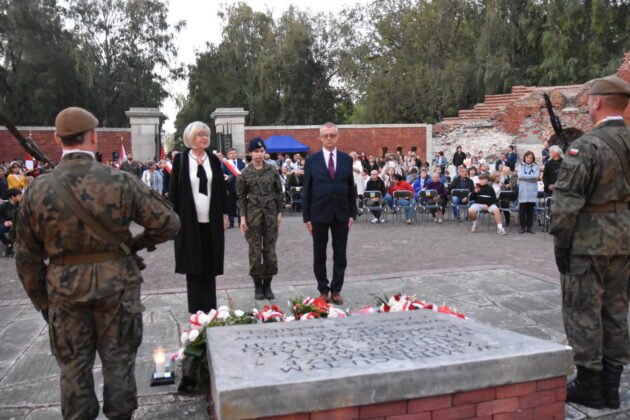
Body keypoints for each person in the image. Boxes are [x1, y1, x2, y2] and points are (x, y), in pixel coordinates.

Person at [14, 107, 180, 420]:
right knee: (118, 362)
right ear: (93, 136)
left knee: (73, 366)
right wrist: (134, 243)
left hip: (64, 291)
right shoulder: (119, 179)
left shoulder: (38, 189)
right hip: (117, 286)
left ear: (56, 139)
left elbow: (27, 257)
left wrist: (43, 302)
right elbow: (168, 223)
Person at [550, 75, 630, 410]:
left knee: (583, 310)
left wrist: (561, 243)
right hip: (624, 239)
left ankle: (589, 383)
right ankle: (612, 385)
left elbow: (567, 202)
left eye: (589, 100)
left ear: (596, 102)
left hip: (588, 242)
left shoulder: (586, 146)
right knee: (616, 309)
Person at [169, 121, 229, 314]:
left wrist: (225, 214)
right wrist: (174, 216)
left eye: (206, 135)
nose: (204, 138)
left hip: (211, 220)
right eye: (199, 134)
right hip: (189, 221)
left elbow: (221, 189)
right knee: (193, 261)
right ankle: (195, 308)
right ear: (190, 137)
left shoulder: (213, 159)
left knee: (210, 262)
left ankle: (210, 306)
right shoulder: (180, 161)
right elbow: (174, 192)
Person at [303, 122, 357, 305]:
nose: (329, 138)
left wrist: (352, 213)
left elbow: (350, 187)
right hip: (318, 214)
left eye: (332, 135)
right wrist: (306, 217)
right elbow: (307, 190)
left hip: (341, 214)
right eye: (326, 135)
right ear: (320, 137)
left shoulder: (346, 160)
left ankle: (336, 289)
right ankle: (323, 289)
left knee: (340, 254)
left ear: (337, 136)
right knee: (319, 255)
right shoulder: (312, 161)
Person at [237, 138, 283, 300]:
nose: (259, 154)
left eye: (261, 151)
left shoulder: (272, 171)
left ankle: (268, 285)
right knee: (255, 252)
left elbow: (279, 192)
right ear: (250, 153)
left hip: (270, 216)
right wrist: (242, 218)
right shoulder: (245, 174)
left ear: (265, 152)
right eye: (256, 151)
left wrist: (279, 212)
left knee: (270, 252)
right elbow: (241, 197)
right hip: (253, 217)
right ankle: (258, 286)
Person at [517, 151, 540, 233]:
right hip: (523, 191)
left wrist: (525, 178)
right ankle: (522, 227)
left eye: (530, 157)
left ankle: (529, 227)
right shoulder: (520, 166)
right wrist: (532, 178)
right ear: (524, 158)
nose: (529, 159)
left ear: (533, 158)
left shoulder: (536, 167)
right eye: (527, 157)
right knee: (522, 211)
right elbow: (520, 175)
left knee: (530, 211)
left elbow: (537, 177)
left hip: (532, 191)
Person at [223, 148, 246, 228]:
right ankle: (231, 222)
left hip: (240, 188)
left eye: (234, 153)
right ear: (228, 155)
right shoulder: (225, 164)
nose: (233, 154)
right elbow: (224, 176)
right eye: (231, 153)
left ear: (237, 154)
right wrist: (226, 188)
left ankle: (241, 222)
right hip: (230, 188)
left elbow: (244, 174)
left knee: (240, 206)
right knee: (230, 206)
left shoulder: (241, 163)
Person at [0, 188, 21, 256]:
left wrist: (14, 222)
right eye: (19, 195)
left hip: (19, 225)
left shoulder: (21, 205)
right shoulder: (4, 206)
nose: (21, 197)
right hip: (7, 224)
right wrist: (4, 222)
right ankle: (9, 244)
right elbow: (1, 217)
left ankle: (11, 249)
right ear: (12, 197)